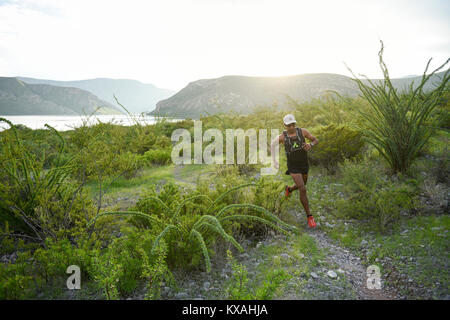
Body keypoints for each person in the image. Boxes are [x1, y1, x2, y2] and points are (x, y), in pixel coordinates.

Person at [271, 114, 319, 228]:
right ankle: (310, 217)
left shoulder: (303, 132)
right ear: (284, 125)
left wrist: (310, 144)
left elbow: (315, 139)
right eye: (289, 125)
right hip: (293, 166)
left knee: (301, 185)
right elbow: (272, 145)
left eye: (293, 124)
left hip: (303, 163)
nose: (291, 127)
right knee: (303, 188)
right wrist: (274, 160)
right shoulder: (282, 137)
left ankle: (289, 189)